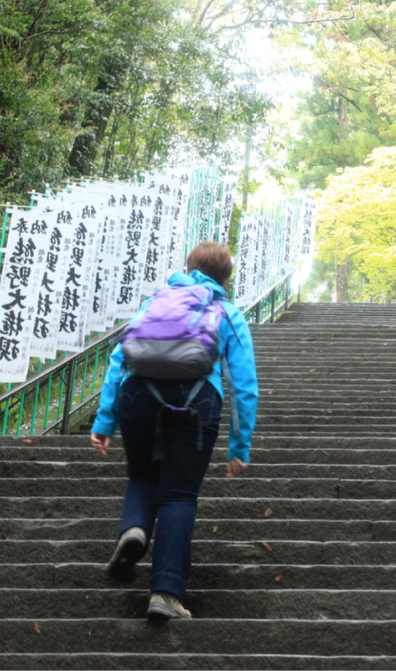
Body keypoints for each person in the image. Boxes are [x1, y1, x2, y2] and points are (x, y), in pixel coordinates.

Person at [89, 241, 258, 620]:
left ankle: (134, 529)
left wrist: (104, 420)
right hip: (196, 400)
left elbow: (119, 358)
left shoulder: (157, 303)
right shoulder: (226, 311)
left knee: (143, 477)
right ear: (226, 277)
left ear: (188, 267)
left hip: (137, 394)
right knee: (178, 495)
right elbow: (245, 384)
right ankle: (165, 594)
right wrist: (239, 445)